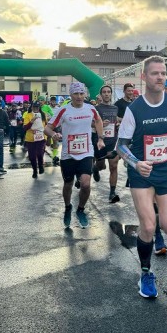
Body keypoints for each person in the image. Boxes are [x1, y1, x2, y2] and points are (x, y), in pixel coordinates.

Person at [116, 55, 167, 298]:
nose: (160, 77)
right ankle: (146, 273)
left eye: (163, 73)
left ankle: (155, 223)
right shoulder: (134, 109)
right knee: (148, 226)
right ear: (144, 77)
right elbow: (120, 146)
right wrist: (136, 163)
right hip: (142, 173)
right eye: (154, 73)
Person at [44, 82, 105, 229]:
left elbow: (98, 120)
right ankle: (67, 207)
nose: (79, 96)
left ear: (85, 94)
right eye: (76, 94)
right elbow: (47, 128)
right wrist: (53, 134)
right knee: (68, 184)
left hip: (86, 152)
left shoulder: (90, 108)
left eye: (81, 93)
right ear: (71, 95)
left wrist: (100, 138)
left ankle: (81, 210)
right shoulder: (63, 110)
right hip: (68, 154)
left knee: (85, 184)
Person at [92, 85, 120, 203]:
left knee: (113, 166)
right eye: (104, 92)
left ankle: (112, 193)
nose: (107, 94)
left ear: (111, 94)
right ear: (101, 95)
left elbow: (116, 120)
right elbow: (91, 123)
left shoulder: (115, 108)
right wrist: (100, 124)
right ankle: (95, 168)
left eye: (109, 92)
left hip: (112, 141)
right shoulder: (96, 108)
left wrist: (117, 124)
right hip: (100, 141)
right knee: (101, 166)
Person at [23, 102, 47, 178]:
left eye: (37, 107)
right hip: (31, 139)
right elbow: (25, 128)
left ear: (39, 108)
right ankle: (35, 170)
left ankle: (40, 166)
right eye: (34, 107)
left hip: (41, 138)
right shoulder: (28, 115)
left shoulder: (43, 115)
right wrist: (31, 121)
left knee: (40, 153)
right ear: (31, 107)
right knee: (32, 157)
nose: (35, 109)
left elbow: (47, 125)